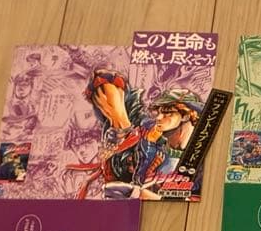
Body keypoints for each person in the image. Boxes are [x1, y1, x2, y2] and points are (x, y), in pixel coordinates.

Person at [73, 70, 205, 199]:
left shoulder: (197, 152)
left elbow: (189, 194)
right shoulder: (152, 133)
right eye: (159, 112)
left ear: (186, 115)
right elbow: (139, 178)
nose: (159, 117)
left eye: (167, 112)